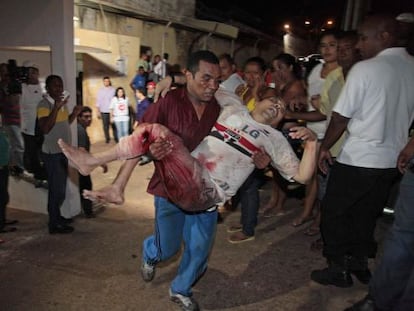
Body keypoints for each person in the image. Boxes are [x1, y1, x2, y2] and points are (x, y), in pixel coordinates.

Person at [311, 13, 414, 288]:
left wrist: (324, 147)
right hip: (390, 162)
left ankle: (337, 268)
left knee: (334, 213)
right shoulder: (412, 67)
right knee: (366, 215)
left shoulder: (366, 69)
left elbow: (340, 117)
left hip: (358, 158)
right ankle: (359, 264)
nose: (359, 45)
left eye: (364, 38)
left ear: (385, 36)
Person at [37, 74, 83, 234]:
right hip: (52, 153)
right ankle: (54, 224)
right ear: (48, 88)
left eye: (60, 85)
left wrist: (74, 114)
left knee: (61, 189)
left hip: (63, 152)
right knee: (56, 190)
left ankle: (57, 217)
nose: (59, 88)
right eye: (55, 86)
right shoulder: (44, 105)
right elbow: (45, 128)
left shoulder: (61, 104)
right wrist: (56, 107)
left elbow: (64, 123)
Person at [77, 106, 107, 218]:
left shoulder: (80, 129)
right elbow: (83, 151)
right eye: (85, 117)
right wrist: (99, 162)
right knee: (86, 187)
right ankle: (88, 212)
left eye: (90, 116)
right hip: (81, 166)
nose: (89, 119)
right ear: (79, 118)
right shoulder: (80, 131)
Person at [19, 62, 47, 185]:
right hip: (28, 125)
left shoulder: (43, 87)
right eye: (30, 72)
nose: (33, 75)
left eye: (34, 72)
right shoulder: (22, 87)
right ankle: (36, 173)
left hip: (42, 124)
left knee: (44, 150)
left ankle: (45, 172)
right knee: (31, 151)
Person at [0, 63, 25, 176]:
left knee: (18, 145)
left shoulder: (15, 84)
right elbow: (10, 102)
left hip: (20, 119)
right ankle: (15, 167)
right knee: (14, 145)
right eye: (3, 73)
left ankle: (16, 166)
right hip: (8, 120)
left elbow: (18, 101)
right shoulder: (2, 86)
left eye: (7, 73)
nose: (5, 75)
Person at [96, 76, 117, 144]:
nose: (106, 82)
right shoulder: (100, 91)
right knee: (105, 126)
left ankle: (116, 138)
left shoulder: (113, 90)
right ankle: (107, 138)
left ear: (109, 82)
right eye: (105, 81)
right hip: (103, 110)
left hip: (112, 111)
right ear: (103, 82)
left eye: (108, 81)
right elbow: (98, 101)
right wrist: (98, 111)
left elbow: (115, 100)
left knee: (113, 125)